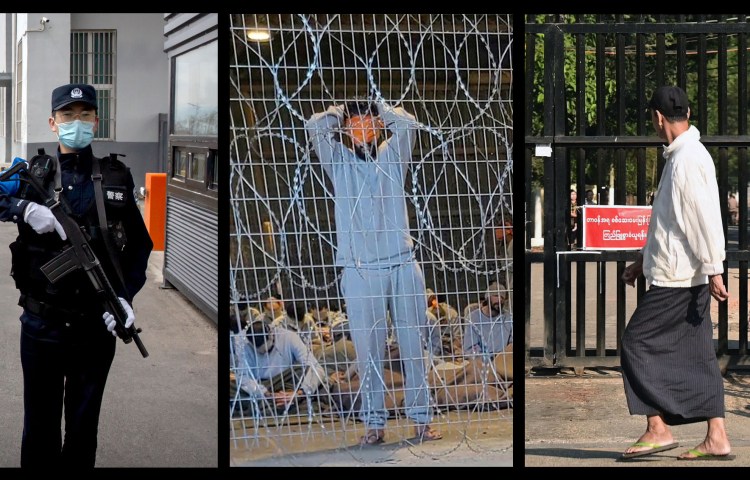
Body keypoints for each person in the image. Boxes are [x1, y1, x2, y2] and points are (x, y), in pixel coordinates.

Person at [0, 83, 153, 467]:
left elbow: (140, 247)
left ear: (96, 121)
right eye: (68, 115)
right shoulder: (31, 173)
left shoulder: (116, 176)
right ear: (53, 123)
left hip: (94, 326)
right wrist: (22, 209)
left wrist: (125, 298)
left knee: (84, 427)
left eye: (85, 115)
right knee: (40, 426)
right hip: (41, 324)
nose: (77, 122)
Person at [306, 99, 442, 445]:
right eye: (355, 123)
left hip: (400, 263)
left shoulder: (393, 158)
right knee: (368, 351)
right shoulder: (339, 162)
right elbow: (314, 127)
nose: (362, 127)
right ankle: (373, 424)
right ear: (346, 130)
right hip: (360, 269)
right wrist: (339, 113)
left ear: (380, 126)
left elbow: (408, 124)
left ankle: (421, 420)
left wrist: (381, 110)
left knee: (414, 345)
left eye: (368, 121)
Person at [619, 85, 732, 461]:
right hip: (684, 274)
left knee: (635, 343)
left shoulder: (687, 160)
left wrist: (715, 268)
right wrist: (642, 259)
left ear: (658, 117)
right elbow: (667, 223)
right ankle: (717, 436)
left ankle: (657, 427)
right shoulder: (682, 156)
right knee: (699, 353)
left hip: (680, 279)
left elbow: (702, 220)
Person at [235, 319, 327, 413]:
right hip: (261, 386)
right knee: (234, 387)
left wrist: (299, 394)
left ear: (271, 335)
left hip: (286, 381)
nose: (263, 352)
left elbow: (316, 367)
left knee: (303, 370)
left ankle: (279, 403)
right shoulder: (244, 344)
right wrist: (267, 394)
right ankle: (281, 405)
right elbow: (243, 377)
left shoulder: (289, 337)